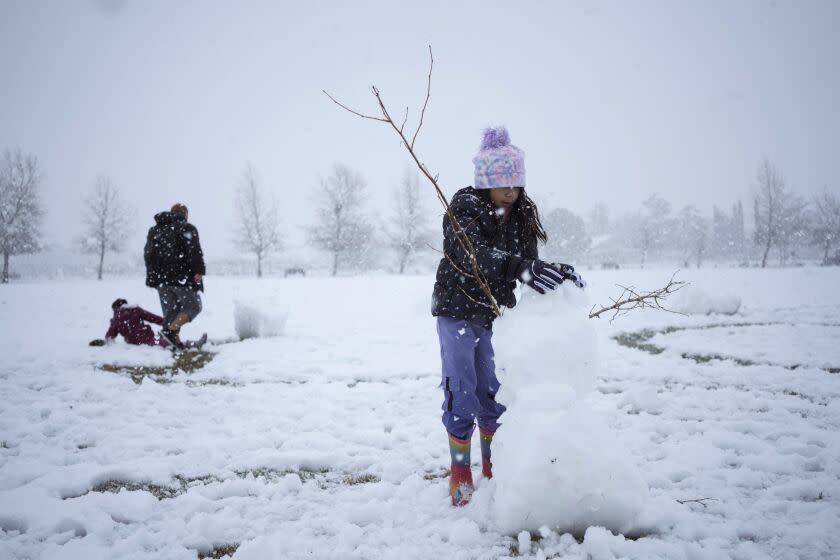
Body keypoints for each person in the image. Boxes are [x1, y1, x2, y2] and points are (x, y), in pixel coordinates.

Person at [431, 126, 585, 507]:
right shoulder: (465, 207)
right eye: (504, 185)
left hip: (496, 315)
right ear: (485, 181)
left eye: (516, 184)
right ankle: (461, 470)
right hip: (457, 310)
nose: (512, 192)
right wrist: (519, 268)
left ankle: (494, 466)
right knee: (461, 389)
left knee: (494, 391)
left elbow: (526, 265)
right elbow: (472, 254)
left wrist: (553, 273)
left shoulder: (521, 214)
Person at [144, 203, 206, 349]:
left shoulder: (155, 231)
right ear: (185, 214)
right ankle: (170, 331)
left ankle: (174, 345)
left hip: (161, 280)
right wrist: (198, 271)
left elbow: (148, 254)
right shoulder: (186, 228)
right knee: (194, 306)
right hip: (181, 278)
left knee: (171, 313)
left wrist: (152, 277)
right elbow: (194, 251)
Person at [89, 298, 208, 349]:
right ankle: (193, 345)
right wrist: (167, 323)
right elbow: (153, 318)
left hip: (134, 342)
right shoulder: (134, 310)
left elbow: (110, 335)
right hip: (148, 339)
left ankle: (180, 343)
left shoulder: (115, 320)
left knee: (164, 342)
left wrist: (105, 341)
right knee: (170, 343)